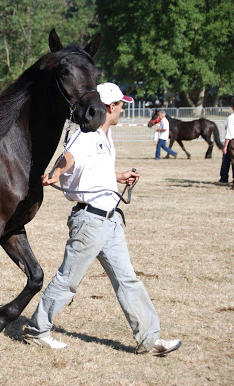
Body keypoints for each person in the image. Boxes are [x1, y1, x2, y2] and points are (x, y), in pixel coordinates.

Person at [23, 82, 182, 356]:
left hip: (109, 221)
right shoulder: (86, 136)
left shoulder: (105, 136)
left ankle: (149, 339)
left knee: (127, 279)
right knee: (68, 280)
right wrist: (55, 174)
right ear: (110, 107)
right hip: (90, 222)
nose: (122, 109)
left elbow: (92, 170)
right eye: (121, 105)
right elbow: (68, 158)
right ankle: (37, 330)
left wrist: (118, 177)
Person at [218, 97, 234, 184]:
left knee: (228, 159)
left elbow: (229, 133)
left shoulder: (231, 118)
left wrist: (225, 146)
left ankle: (224, 177)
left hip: (232, 141)